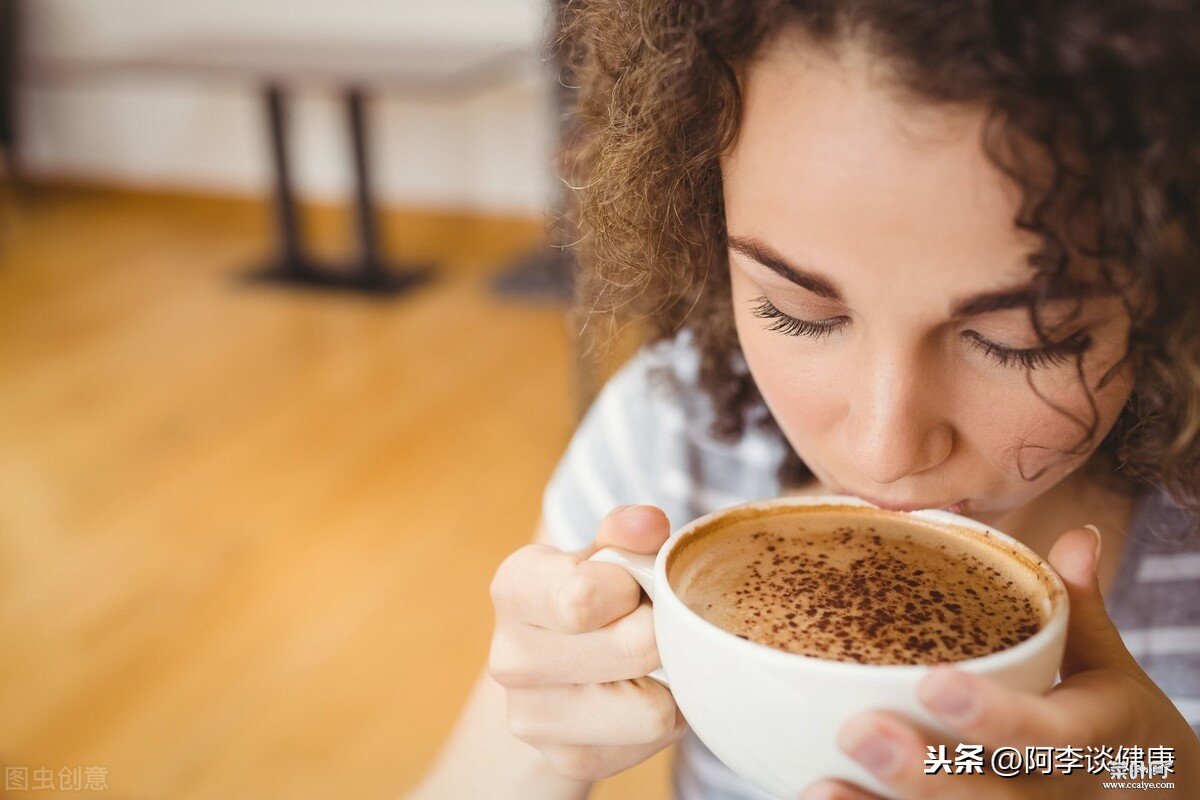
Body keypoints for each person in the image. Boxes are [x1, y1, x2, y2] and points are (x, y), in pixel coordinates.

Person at [406, 1, 1200, 797]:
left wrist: (1167, 774)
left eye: (1020, 340)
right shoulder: (671, 442)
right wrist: (536, 747)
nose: (882, 452)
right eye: (798, 311)